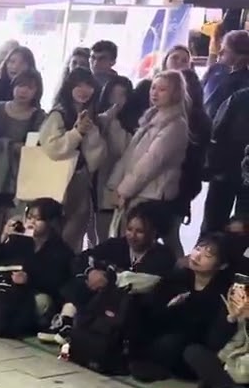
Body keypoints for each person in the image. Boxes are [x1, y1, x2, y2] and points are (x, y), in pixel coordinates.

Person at [40, 205, 174, 344]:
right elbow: (82, 258)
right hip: (102, 293)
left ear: (153, 232)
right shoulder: (117, 244)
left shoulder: (163, 256)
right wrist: (90, 272)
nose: (132, 236)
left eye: (139, 231)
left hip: (132, 306)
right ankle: (65, 322)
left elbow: (144, 283)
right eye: (129, 229)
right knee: (81, 282)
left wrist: (109, 279)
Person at [130, 233, 233, 383]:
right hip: (165, 333)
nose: (197, 256)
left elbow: (213, 338)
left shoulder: (223, 291)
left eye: (207, 256)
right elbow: (154, 309)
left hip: (192, 348)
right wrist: (170, 307)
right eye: (198, 249)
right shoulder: (180, 277)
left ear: (222, 265)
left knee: (175, 342)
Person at [105, 70, 189, 249]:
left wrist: (124, 190)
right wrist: (115, 186)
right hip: (137, 191)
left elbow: (151, 162)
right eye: (153, 88)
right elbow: (130, 156)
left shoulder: (175, 124)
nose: (155, 93)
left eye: (162, 89)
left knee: (141, 244)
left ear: (175, 93)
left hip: (152, 194)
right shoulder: (151, 118)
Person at [0, 198, 73, 329]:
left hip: (29, 296)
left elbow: (57, 283)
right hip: (5, 290)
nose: (32, 222)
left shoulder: (60, 250)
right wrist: (3, 237)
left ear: (50, 222)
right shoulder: (19, 240)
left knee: (43, 301)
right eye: (29, 217)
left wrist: (28, 279)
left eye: (37, 219)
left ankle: (0, 318)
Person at [0, 70, 45, 260]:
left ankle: (12, 261)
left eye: (30, 87)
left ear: (37, 91)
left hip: (22, 177)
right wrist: (10, 146)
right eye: (20, 85)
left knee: (17, 221)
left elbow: (38, 146)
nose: (23, 91)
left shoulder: (39, 116)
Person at [37, 67, 108, 250]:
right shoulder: (58, 114)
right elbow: (53, 147)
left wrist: (90, 131)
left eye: (88, 86)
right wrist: (77, 133)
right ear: (69, 88)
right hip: (56, 180)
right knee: (51, 229)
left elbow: (96, 156)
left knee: (75, 232)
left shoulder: (92, 115)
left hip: (79, 179)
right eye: (78, 86)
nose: (83, 91)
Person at [202, 30, 249, 234]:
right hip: (237, 163)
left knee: (213, 222)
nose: (220, 53)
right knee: (240, 225)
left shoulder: (226, 82)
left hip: (225, 163)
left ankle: (207, 259)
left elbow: (212, 119)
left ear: (239, 56)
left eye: (225, 50)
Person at [88, 75, 135, 247]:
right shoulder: (96, 118)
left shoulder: (130, 125)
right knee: (89, 231)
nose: (117, 100)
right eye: (113, 95)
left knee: (106, 234)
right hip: (92, 180)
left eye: (122, 95)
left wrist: (112, 121)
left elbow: (120, 149)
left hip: (112, 185)